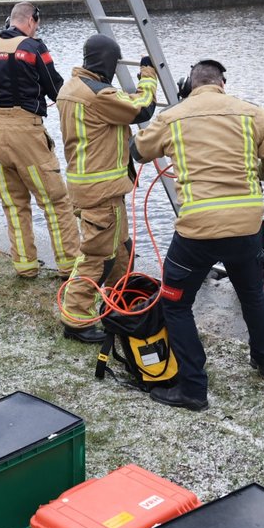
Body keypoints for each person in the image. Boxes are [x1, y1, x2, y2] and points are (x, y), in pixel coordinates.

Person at [130, 60, 264, 411]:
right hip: (245, 228)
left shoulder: (173, 116)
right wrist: (255, 170)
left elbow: (139, 151)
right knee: (252, 295)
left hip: (197, 231)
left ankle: (193, 388)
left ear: (190, 83)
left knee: (175, 304)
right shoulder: (253, 114)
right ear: (222, 83)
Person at [56, 34, 158, 343]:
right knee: (98, 256)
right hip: (101, 191)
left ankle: (122, 303)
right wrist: (148, 78)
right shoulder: (98, 95)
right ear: (108, 63)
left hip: (86, 186)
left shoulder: (70, 88)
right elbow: (142, 109)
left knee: (120, 248)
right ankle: (75, 318)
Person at [0, 1, 81, 280]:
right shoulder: (34, 48)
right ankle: (69, 265)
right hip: (27, 133)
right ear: (31, 20)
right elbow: (57, 89)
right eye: (36, 24)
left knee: (14, 203)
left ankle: (25, 265)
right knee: (55, 201)